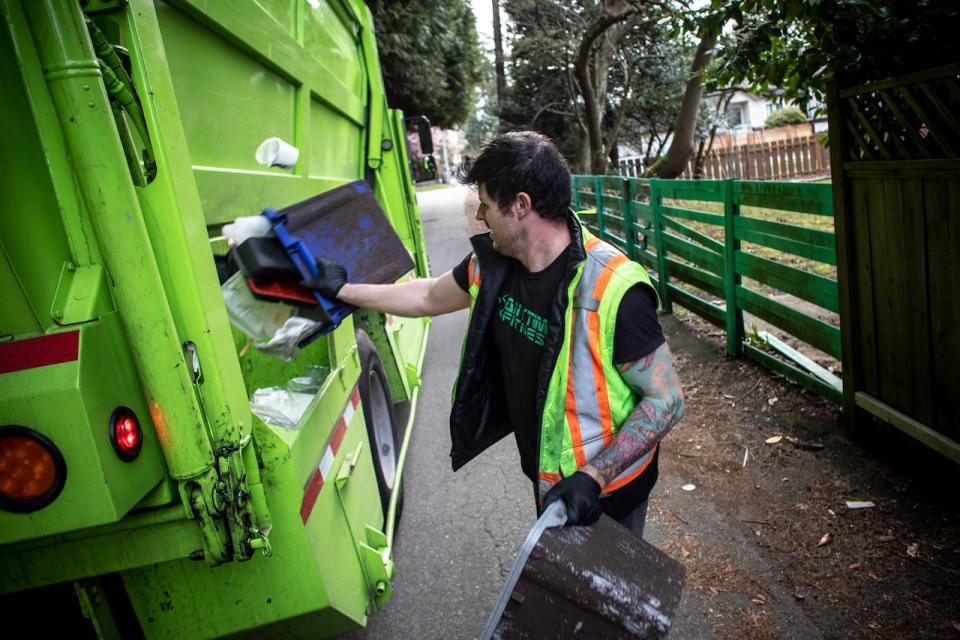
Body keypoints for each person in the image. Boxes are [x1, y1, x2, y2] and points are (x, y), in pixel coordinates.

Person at [303, 131, 684, 537]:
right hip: (550, 483)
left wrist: (594, 476)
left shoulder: (612, 287)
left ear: (521, 205)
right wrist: (344, 290)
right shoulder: (495, 264)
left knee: (605, 597)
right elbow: (428, 295)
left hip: (605, 497)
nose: (481, 217)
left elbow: (667, 400)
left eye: (486, 206)